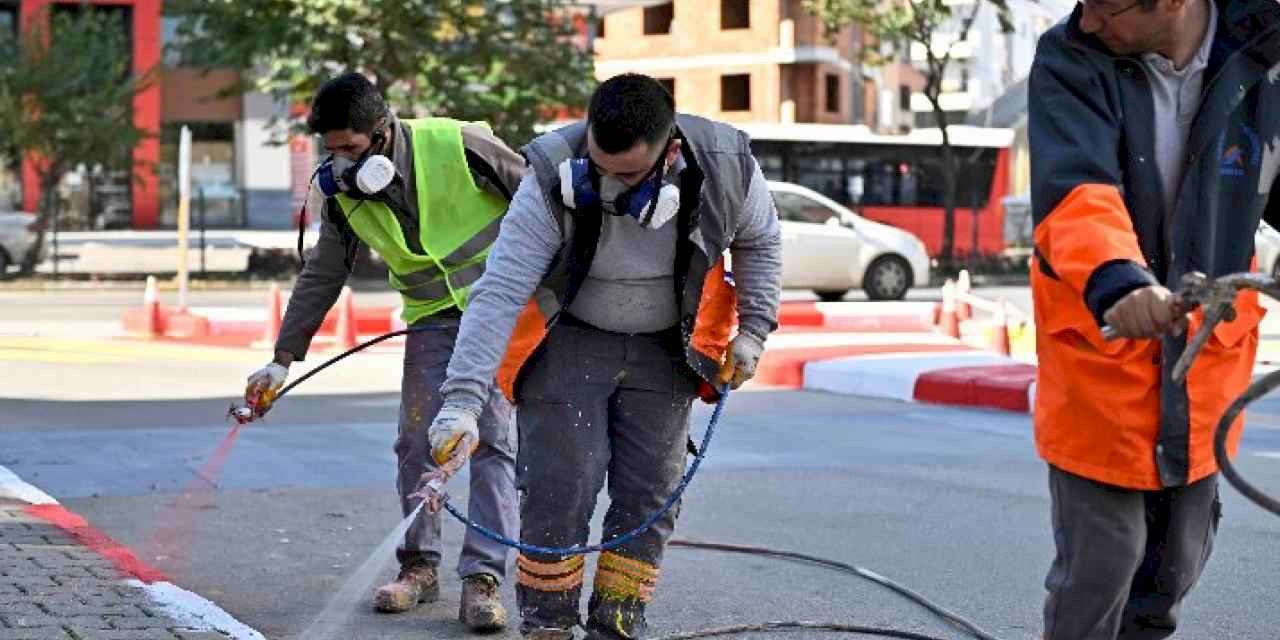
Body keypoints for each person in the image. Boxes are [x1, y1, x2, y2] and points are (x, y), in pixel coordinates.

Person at [422, 73, 782, 639]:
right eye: (601, 167)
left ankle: (617, 621)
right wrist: (462, 401)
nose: (609, 186)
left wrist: (754, 330)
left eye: (629, 174)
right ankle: (547, 623)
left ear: (671, 150)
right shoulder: (551, 169)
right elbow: (500, 289)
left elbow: (759, 241)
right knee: (559, 483)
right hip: (571, 339)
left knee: (650, 492)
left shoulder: (727, 165)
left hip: (667, 346)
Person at [1027, 0, 1280, 637]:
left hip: (1203, 373)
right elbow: (1077, 189)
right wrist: (1117, 277)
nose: (1083, 20)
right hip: (1103, 365)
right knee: (1101, 572)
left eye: (1102, 6)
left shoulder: (1265, 57)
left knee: (1171, 576)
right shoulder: (1071, 59)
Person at [241, 71, 526, 632]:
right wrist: (282, 357)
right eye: (331, 151)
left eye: (349, 148)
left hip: (501, 312)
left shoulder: (459, 144)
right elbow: (322, 274)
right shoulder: (344, 194)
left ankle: (483, 578)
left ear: (383, 131)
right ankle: (419, 568)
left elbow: (541, 204)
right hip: (431, 320)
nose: (340, 163)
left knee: (489, 439)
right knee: (416, 441)